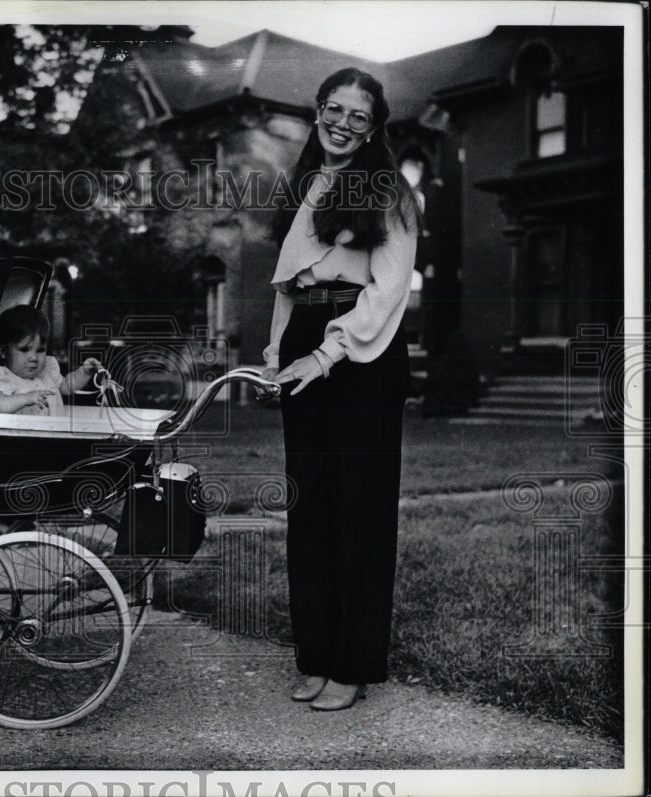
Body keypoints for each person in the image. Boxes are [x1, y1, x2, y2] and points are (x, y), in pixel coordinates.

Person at [260, 67, 420, 711]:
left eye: (359, 115)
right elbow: (289, 287)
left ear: (375, 127)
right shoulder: (309, 185)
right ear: (318, 111)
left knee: (359, 514)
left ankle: (352, 667)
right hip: (306, 347)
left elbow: (385, 294)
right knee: (313, 512)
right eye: (334, 109)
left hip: (360, 356)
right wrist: (278, 355)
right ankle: (318, 657)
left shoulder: (390, 193)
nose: (343, 123)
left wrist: (324, 354)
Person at [0, 305, 101, 415]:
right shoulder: (3, 376)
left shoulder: (46, 371)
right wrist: (27, 398)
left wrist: (84, 372)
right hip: (18, 436)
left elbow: (67, 387)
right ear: (3, 352)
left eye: (40, 350)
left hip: (50, 433)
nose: (34, 358)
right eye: (24, 350)